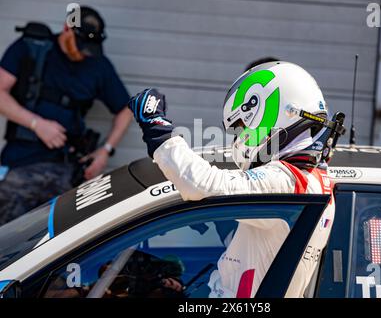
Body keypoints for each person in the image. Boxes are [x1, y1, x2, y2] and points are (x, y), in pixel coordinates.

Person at [128, 61, 345, 298]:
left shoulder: (289, 182)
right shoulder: (313, 181)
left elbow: (201, 185)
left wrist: (156, 128)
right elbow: (261, 249)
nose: (239, 136)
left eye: (241, 126)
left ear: (270, 113)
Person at [0, 6, 132, 225]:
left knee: (58, 248)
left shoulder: (98, 65)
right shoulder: (31, 47)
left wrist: (105, 151)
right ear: (66, 29)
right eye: (80, 46)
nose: (84, 53)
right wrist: (36, 124)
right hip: (20, 166)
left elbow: (126, 109)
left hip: (67, 173)